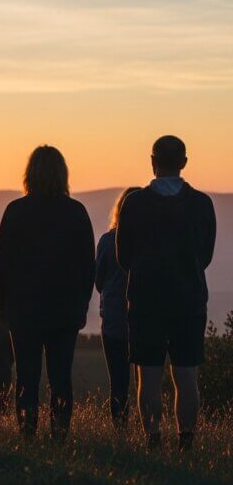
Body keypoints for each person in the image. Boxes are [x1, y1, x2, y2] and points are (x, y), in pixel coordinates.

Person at [117, 136, 216, 452]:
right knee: (187, 377)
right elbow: (206, 254)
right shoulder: (201, 204)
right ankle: (186, 443)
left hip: (146, 300)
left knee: (148, 377)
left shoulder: (134, 204)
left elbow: (123, 257)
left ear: (152, 161)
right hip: (188, 300)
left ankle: (152, 440)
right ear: (184, 163)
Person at [0, 146, 94, 440]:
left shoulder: (16, 211)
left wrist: (2, 305)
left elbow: (2, 263)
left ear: (30, 174)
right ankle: (60, 435)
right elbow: (88, 264)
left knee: (27, 375)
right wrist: (82, 303)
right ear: (63, 174)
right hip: (64, 310)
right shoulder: (76, 213)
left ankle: (27, 434)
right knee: (61, 376)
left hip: (23, 310)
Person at [95, 187, 139, 429]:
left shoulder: (107, 241)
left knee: (118, 380)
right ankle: (148, 429)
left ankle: (120, 428)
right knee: (146, 378)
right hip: (145, 316)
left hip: (113, 317)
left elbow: (98, 281)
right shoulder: (150, 240)